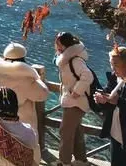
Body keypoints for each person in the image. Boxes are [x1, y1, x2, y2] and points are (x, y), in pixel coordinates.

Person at [0, 42, 49, 134]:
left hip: (1, 119)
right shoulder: (26, 77)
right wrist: (36, 78)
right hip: (22, 124)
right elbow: (43, 94)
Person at [54, 32, 92, 166]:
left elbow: (88, 76)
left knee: (65, 131)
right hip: (72, 101)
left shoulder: (75, 60)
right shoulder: (66, 58)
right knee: (76, 131)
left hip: (75, 102)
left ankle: (64, 162)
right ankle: (81, 160)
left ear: (65, 45)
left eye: (58, 44)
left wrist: (76, 91)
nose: (56, 46)